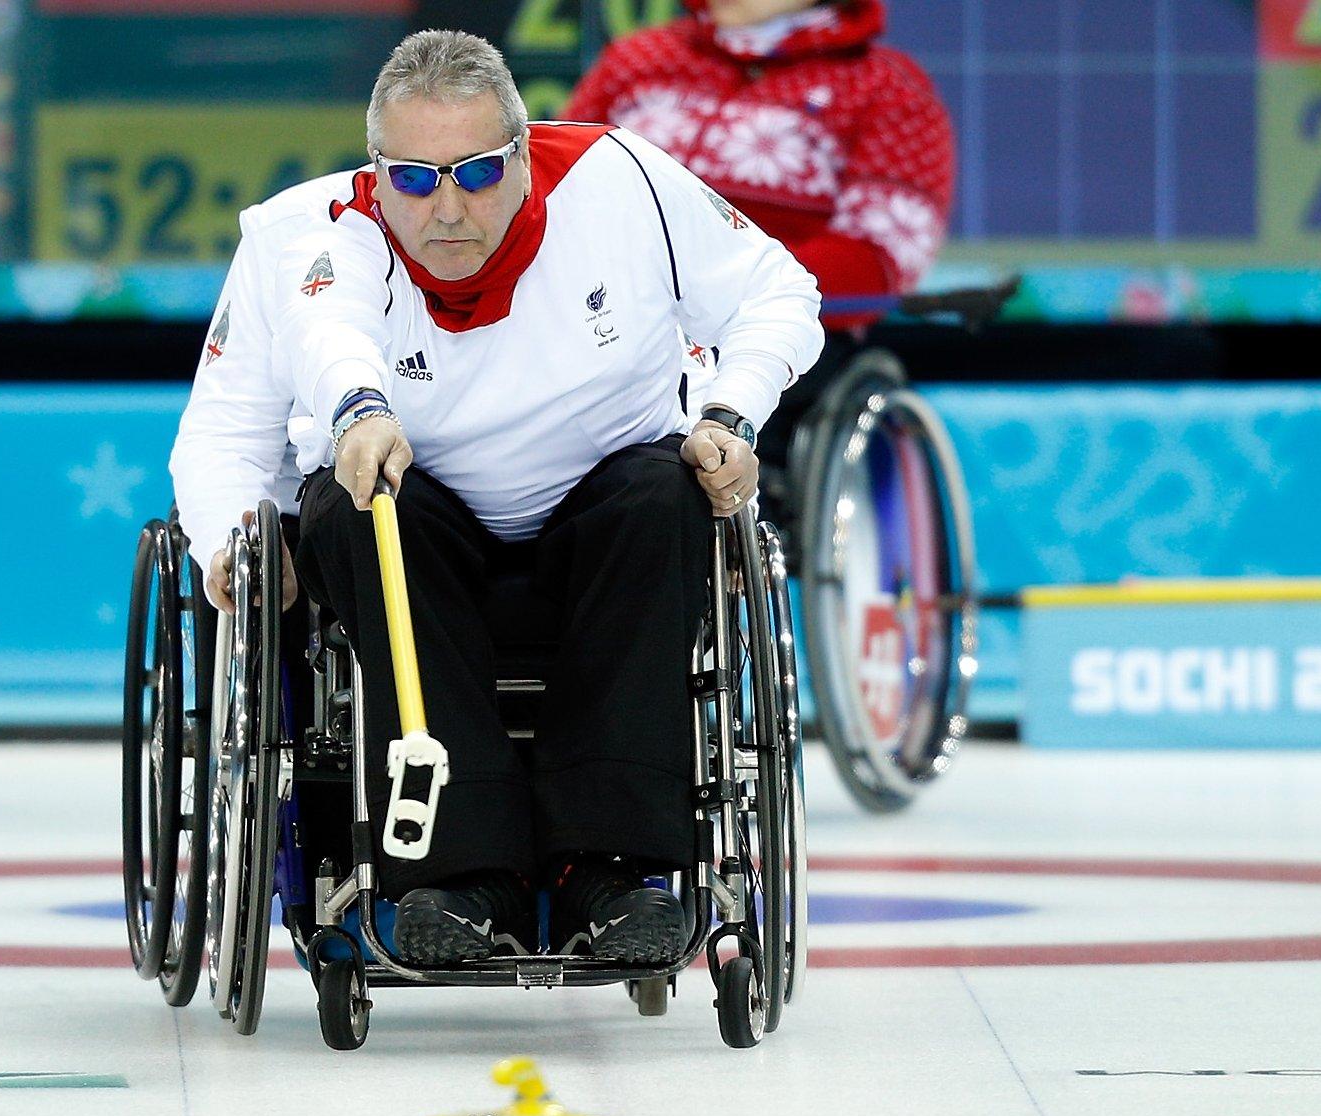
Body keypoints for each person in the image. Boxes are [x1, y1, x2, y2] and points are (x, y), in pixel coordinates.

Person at [171, 29, 823, 966]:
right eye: (416, 177)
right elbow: (240, 423)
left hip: (603, 513)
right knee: (350, 506)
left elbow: (780, 294)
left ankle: (608, 867)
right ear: (375, 174)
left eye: (476, 173)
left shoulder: (622, 181)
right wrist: (233, 543)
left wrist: (731, 414)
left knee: (667, 493)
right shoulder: (302, 238)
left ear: (522, 158)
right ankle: (458, 873)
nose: (446, 206)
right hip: (410, 533)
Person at [566, 0, 953, 471]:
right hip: (605, 317)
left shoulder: (886, 87)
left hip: (770, 331)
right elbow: (556, 188)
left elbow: (876, 260)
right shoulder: (634, 63)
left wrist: (713, 299)